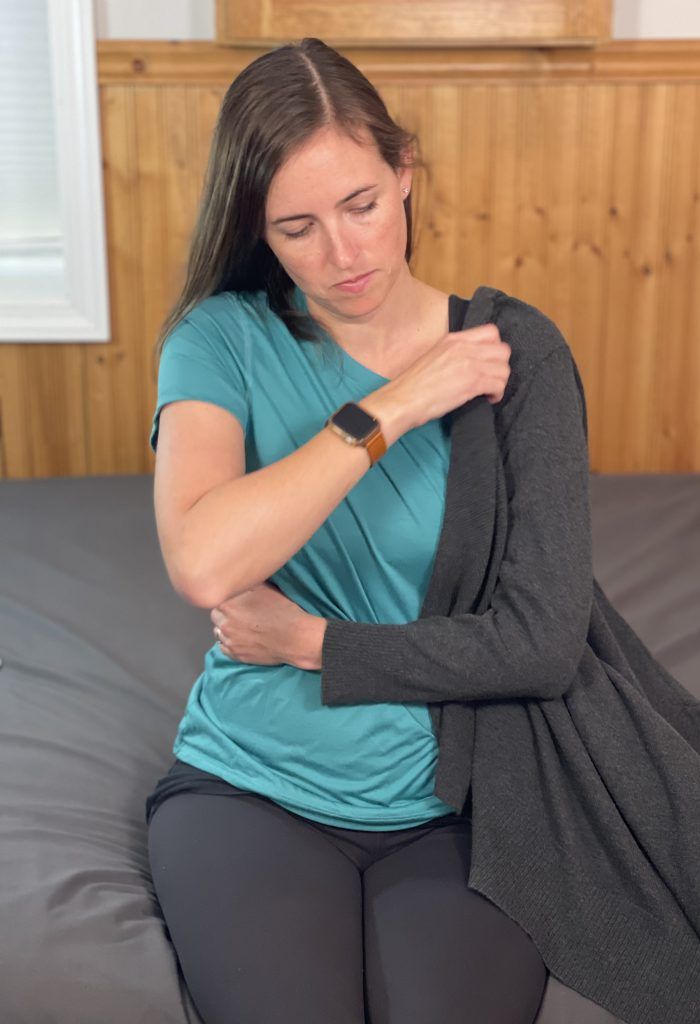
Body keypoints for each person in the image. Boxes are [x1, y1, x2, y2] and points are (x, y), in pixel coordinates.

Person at [145, 36, 549, 1024]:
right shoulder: (220, 340)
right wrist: (397, 403)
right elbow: (203, 559)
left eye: (363, 205)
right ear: (262, 231)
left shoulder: (510, 351)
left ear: (404, 172)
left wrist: (312, 641)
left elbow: (540, 638)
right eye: (298, 227)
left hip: (459, 810)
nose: (346, 253)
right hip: (249, 790)